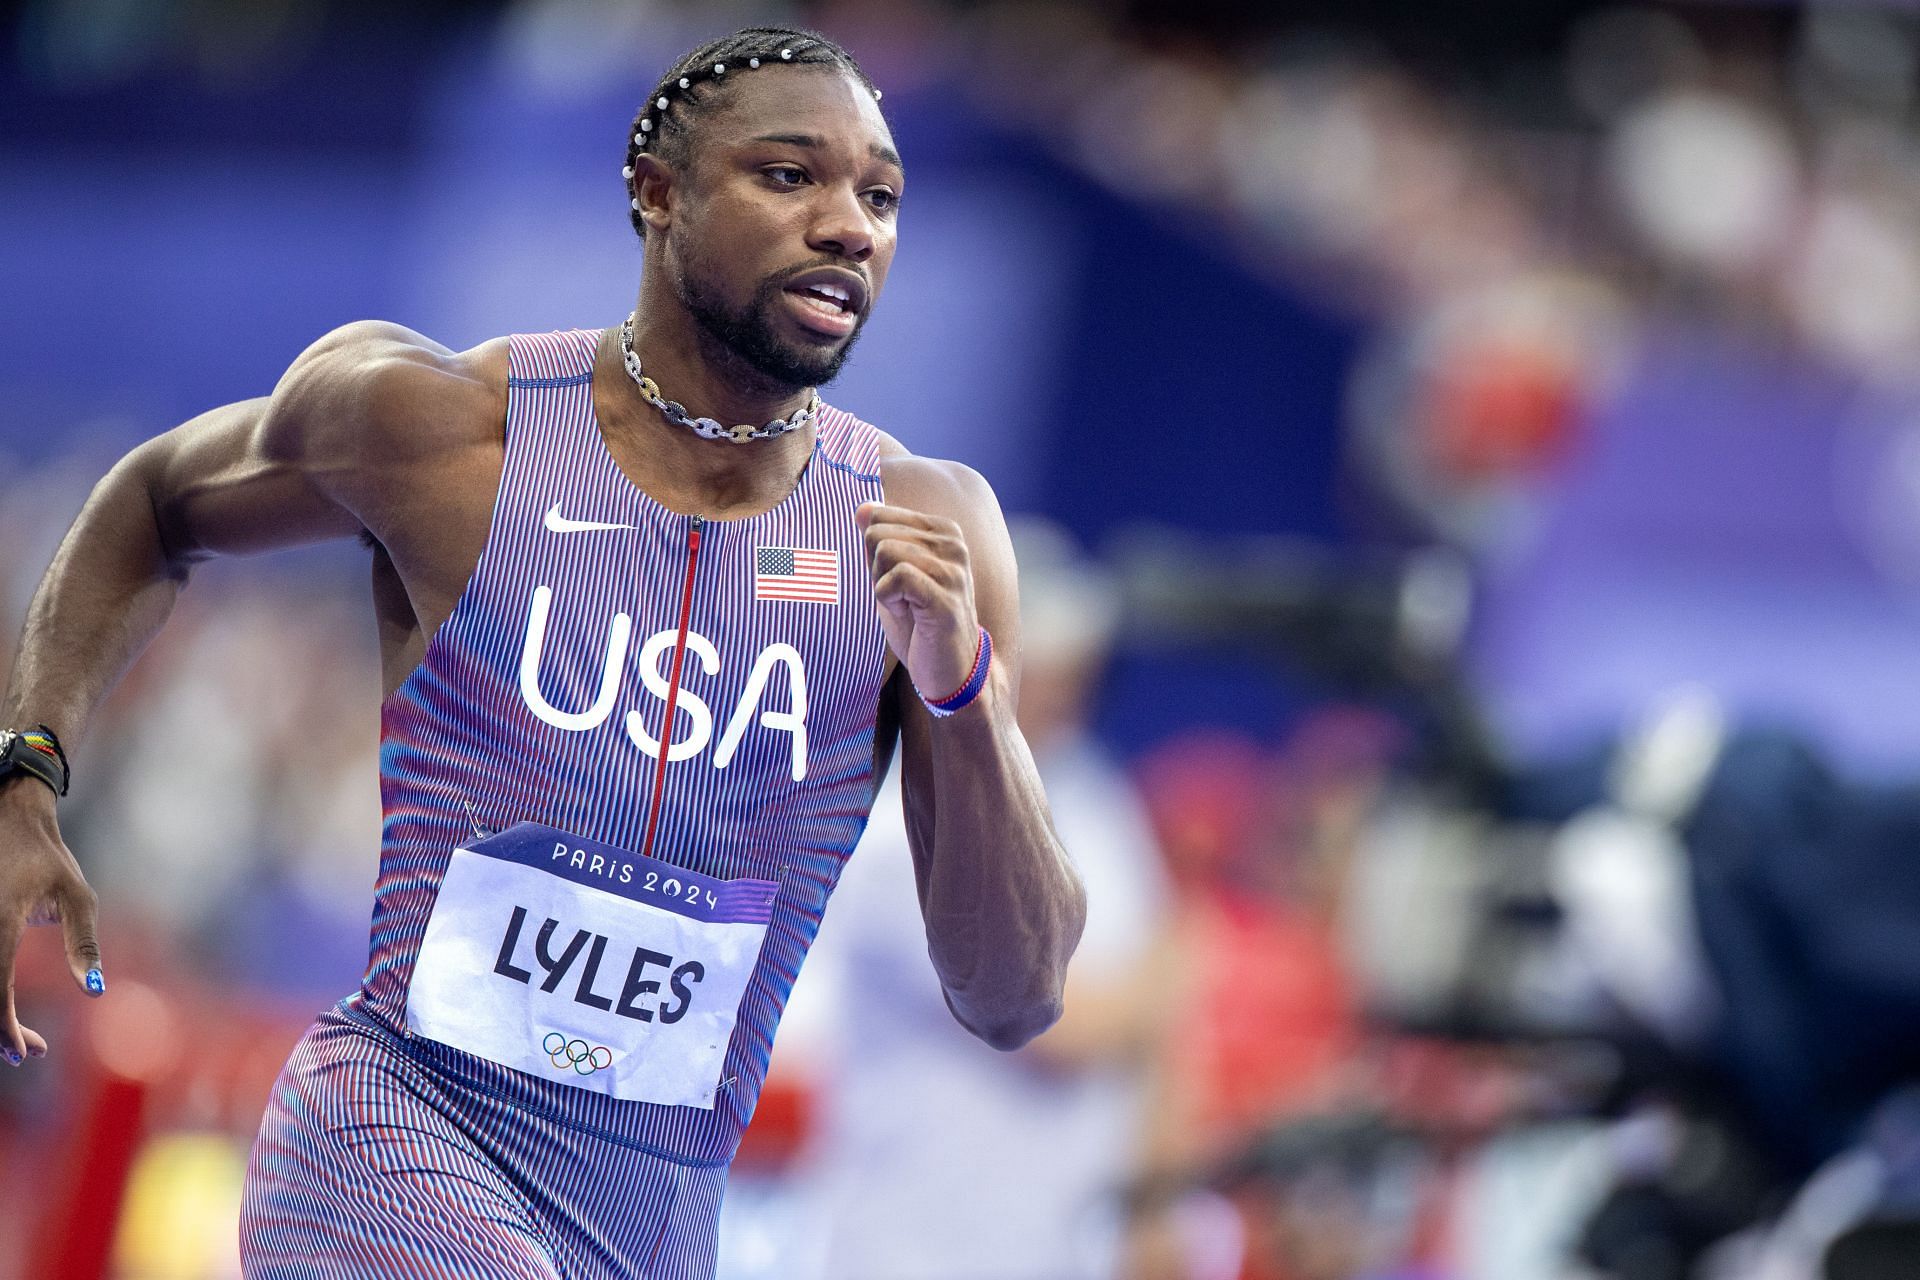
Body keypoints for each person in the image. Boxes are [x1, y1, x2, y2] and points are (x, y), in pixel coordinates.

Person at [0, 25, 1086, 1280]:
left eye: (881, 194)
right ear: (658, 191)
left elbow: (1013, 996)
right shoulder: (444, 430)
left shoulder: (923, 535)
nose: (849, 224)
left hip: (656, 1226)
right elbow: (151, 501)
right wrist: (27, 765)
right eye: (791, 175)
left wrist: (963, 690)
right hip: (388, 1148)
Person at [799, 519, 1170, 1279]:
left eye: (1078, 669)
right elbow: (1049, 1024)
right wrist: (1165, 987)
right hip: (908, 1252)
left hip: (1060, 1251)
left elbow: (1167, 1016)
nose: (1065, 690)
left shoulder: (1100, 801)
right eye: (1049, 663)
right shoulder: (897, 830)